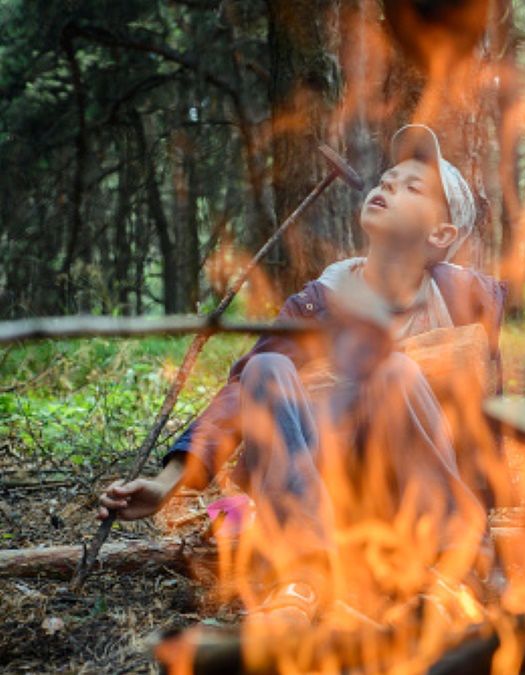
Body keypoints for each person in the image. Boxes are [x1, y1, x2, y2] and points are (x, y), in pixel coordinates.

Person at [96, 124, 503, 624]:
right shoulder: (318, 303)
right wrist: (167, 483)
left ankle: (451, 574)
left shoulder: (466, 302)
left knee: (395, 370)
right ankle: (303, 580)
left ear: (440, 235)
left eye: (411, 187)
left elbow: (485, 428)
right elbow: (238, 397)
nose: (386, 186)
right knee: (265, 365)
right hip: (326, 504)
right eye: (386, 179)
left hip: (411, 507)